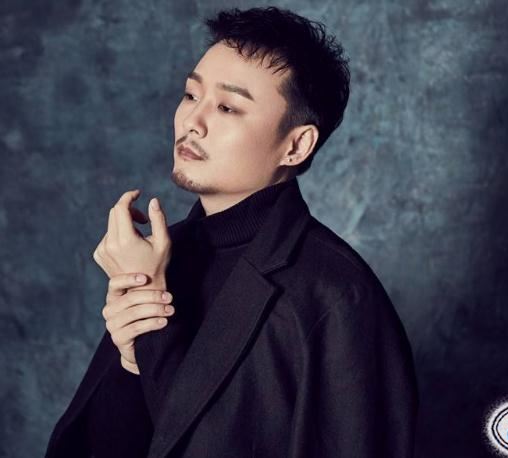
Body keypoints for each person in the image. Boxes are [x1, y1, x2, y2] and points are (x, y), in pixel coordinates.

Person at [45, 6, 418, 457]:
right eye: (190, 95)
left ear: (296, 145)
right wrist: (131, 356)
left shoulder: (337, 297)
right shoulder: (160, 258)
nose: (192, 121)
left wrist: (154, 326)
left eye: (226, 107)